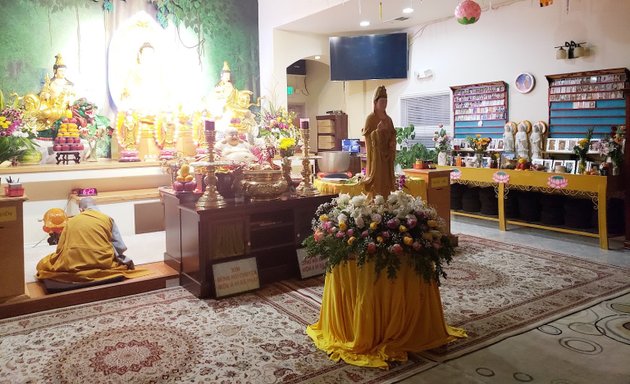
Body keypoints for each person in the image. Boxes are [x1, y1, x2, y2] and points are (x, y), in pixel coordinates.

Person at [36, 198, 150, 283]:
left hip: (73, 263)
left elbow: (60, 248)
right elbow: (120, 246)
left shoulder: (71, 221)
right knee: (121, 261)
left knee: (43, 264)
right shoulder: (107, 218)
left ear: (81, 209)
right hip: (103, 262)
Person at [363, 85, 396, 198]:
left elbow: (393, 135)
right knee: (377, 180)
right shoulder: (370, 118)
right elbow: (368, 138)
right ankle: (375, 201)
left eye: (386, 102)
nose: (384, 104)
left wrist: (392, 142)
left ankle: (386, 201)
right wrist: (377, 132)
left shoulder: (389, 119)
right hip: (376, 158)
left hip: (386, 157)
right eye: (382, 102)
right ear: (375, 102)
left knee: (386, 180)